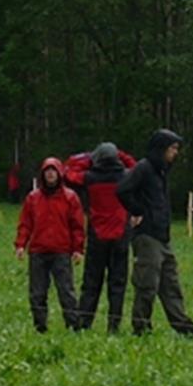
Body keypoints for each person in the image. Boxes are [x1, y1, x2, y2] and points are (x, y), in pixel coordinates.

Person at [116, 129, 193, 336]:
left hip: (163, 236)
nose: (175, 153)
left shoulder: (162, 171)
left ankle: (183, 327)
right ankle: (141, 327)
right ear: (161, 148)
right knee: (147, 283)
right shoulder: (143, 168)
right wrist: (137, 211)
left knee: (171, 284)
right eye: (172, 148)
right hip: (147, 235)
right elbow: (122, 190)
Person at [64, 142, 136, 332]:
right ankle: (113, 325)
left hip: (97, 235)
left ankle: (84, 323)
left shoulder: (89, 178)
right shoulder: (127, 176)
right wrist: (121, 153)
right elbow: (136, 166)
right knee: (117, 284)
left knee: (91, 282)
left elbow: (68, 171)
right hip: (121, 235)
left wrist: (88, 156)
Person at [14, 157, 85, 332]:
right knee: (37, 293)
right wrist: (21, 245)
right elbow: (25, 224)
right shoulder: (33, 198)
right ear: (42, 175)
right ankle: (40, 327)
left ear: (59, 174)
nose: (51, 174)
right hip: (38, 251)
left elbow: (77, 226)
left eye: (54, 171)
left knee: (66, 291)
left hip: (61, 251)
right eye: (47, 171)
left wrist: (78, 249)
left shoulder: (70, 197)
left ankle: (73, 326)